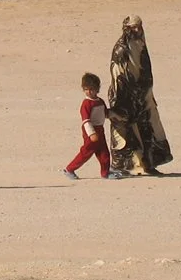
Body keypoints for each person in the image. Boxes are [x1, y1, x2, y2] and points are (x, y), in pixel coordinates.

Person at [105, 15, 172, 178]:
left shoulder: (140, 42)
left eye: (139, 27)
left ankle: (147, 163)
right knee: (127, 132)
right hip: (125, 97)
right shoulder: (121, 48)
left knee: (147, 129)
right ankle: (127, 166)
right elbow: (118, 76)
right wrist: (128, 97)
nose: (137, 30)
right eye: (134, 27)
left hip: (143, 96)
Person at [62, 72, 110, 180]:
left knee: (104, 152)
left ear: (97, 89)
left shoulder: (100, 101)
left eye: (91, 89)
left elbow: (105, 113)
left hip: (100, 129)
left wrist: (117, 116)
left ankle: (105, 172)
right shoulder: (86, 104)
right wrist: (91, 133)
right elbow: (86, 121)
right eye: (86, 89)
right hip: (90, 131)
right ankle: (69, 169)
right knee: (86, 152)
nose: (89, 92)